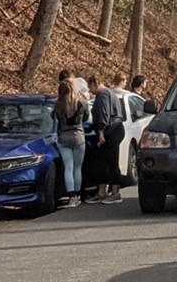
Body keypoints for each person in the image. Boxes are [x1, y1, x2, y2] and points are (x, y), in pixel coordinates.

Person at [90, 72, 129, 204]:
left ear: (94, 84)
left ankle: (116, 192)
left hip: (112, 130)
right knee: (103, 161)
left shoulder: (102, 95)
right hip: (114, 129)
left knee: (112, 161)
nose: (90, 92)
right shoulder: (109, 93)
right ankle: (101, 191)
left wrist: (100, 132)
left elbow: (103, 114)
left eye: (90, 88)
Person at [52, 79, 87, 207]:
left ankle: (71, 196)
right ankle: (78, 195)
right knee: (78, 168)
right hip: (78, 137)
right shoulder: (79, 103)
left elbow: (53, 118)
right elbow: (86, 118)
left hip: (63, 137)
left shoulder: (58, 105)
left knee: (68, 167)